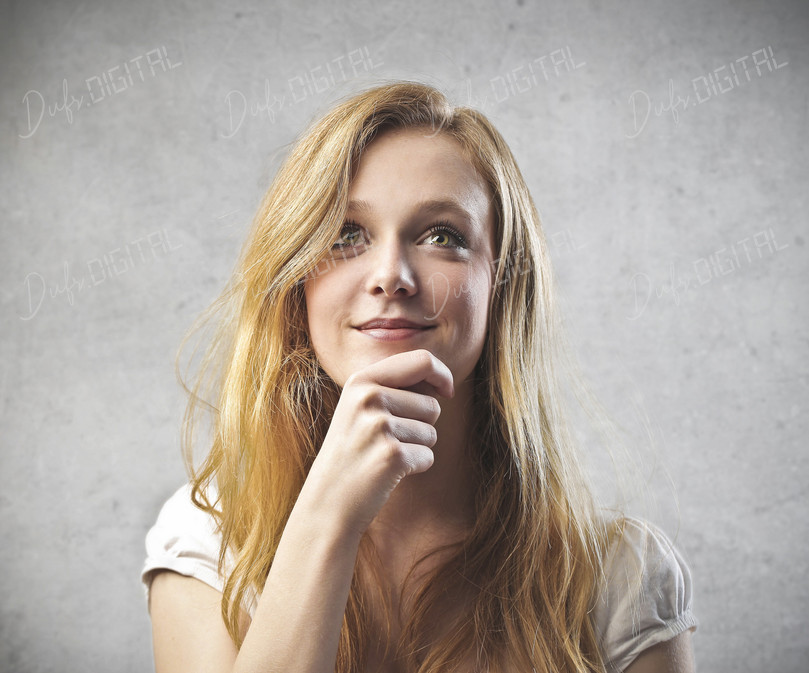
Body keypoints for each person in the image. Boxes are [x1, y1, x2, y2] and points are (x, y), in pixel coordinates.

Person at [142, 80, 697, 673]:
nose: (390, 276)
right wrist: (329, 514)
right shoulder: (208, 546)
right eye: (344, 235)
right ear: (295, 280)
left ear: (500, 284)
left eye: (442, 236)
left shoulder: (617, 581)